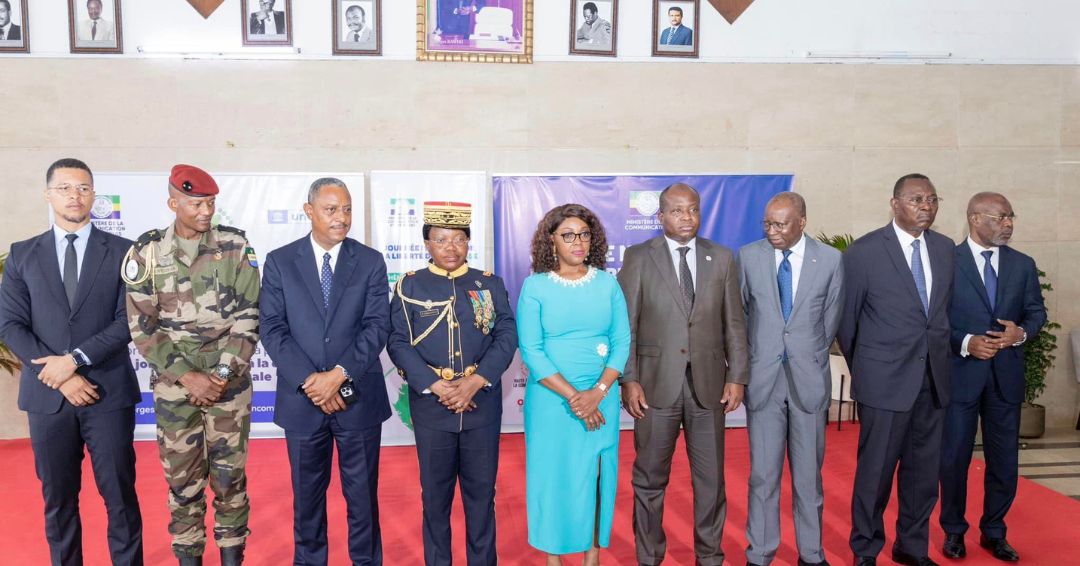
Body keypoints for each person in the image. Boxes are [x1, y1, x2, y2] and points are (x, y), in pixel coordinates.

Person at [0, 158, 142, 565]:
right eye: (64, 188)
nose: (74, 195)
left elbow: (130, 319)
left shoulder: (122, 251)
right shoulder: (23, 254)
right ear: (48, 195)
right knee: (58, 500)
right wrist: (59, 375)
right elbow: (10, 325)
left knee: (120, 496)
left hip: (108, 392)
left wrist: (76, 360)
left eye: (82, 188)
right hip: (48, 398)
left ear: (94, 196)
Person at [124, 164, 260, 566]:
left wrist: (218, 376)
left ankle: (233, 557)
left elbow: (250, 314)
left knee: (229, 479)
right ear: (173, 203)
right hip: (175, 387)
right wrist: (189, 377)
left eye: (211, 203)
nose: (206, 211)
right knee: (183, 483)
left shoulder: (235, 246)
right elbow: (142, 326)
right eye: (197, 203)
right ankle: (189, 558)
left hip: (228, 385)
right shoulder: (147, 251)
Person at [259, 178, 391, 565]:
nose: (342, 218)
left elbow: (377, 325)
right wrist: (312, 381)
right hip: (302, 402)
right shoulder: (280, 261)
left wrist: (339, 374)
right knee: (307, 499)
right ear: (309, 211)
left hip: (358, 400)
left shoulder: (370, 261)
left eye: (347, 209)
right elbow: (272, 327)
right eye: (332, 210)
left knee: (363, 498)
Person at [618, 182, 748, 566]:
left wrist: (737, 374)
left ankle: (709, 556)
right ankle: (650, 557)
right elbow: (626, 324)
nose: (686, 217)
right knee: (650, 481)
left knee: (711, 484)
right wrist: (629, 379)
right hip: (655, 388)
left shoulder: (721, 257)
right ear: (660, 217)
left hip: (709, 388)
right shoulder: (640, 257)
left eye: (692, 210)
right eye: (676, 211)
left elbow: (735, 324)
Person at [388, 201, 517, 566]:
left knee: (481, 498)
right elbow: (397, 340)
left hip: (482, 405)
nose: (450, 247)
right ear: (426, 243)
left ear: (468, 243)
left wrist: (477, 380)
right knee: (435, 499)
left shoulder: (488, 284)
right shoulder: (410, 286)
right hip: (432, 408)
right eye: (441, 239)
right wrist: (435, 384)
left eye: (458, 239)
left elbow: (506, 334)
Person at [838, 173, 955, 566]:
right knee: (876, 474)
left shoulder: (944, 249)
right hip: (883, 383)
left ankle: (912, 546)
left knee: (923, 475)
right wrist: (870, 370)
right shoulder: (864, 253)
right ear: (895, 204)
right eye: (916, 199)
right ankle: (866, 550)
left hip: (933, 380)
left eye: (932, 199)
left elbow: (943, 315)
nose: (926, 206)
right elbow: (847, 324)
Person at [517, 204, 631, 566]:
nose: (577, 242)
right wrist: (575, 398)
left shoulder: (608, 283)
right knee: (555, 477)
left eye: (583, 234)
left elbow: (622, 341)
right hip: (553, 402)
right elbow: (531, 350)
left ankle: (591, 556)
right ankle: (554, 557)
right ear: (551, 240)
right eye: (568, 235)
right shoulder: (534, 286)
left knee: (597, 476)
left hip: (603, 396)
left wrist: (596, 393)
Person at [737, 192, 843, 566]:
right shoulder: (749, 257)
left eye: (780, 224)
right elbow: (743, 315)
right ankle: (760, 552)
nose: (772, 231)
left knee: (807, 479)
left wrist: (807, 354)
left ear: (802, 221)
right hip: (764, 380)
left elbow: (830, 320)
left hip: (808, 381)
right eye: (767, 223)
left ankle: (811, 554)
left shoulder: (830, 260)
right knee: (762, 477)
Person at [938, 193, 1045, 563]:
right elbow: (934, 321)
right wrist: (966, 342)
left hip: (1006, 379)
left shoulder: (1023, 265)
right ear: (973, 218)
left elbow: (1036, 312)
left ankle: (994, 532)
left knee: (1004, 462)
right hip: (961, 376)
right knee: (953, 459)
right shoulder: (946, 261)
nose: (1008, 224)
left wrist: (1022, 334)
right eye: (1000, 217)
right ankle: (953, 531)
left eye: (1011, 217)